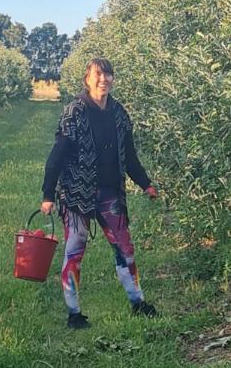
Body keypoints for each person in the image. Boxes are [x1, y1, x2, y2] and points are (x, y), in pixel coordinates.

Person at [41, 57, 158, 329]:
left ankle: (138, 303)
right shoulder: (75, 112)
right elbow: (56, 156)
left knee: (124, 248)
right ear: (87, 79)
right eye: (98, 75)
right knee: (74, 249)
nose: (103, 80)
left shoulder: (119, 113)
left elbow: (129, 155)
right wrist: (48, 194)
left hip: (110, 193)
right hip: (76, 193)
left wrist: (145, 183)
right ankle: (74, 314)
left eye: (108, 75)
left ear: (113, 79)